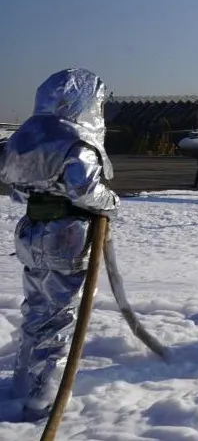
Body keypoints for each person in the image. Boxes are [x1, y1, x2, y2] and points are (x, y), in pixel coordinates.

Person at [0, 68, 120, 423]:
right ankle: (44, 398)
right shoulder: (75, 140)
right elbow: (82, 187)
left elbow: (13, 183)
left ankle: (24, 384)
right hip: (66, 235)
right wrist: (111, 202)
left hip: (30, 231)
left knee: (36, 309)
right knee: (59, 316)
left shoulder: (25, 137)